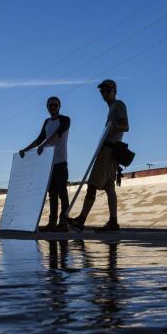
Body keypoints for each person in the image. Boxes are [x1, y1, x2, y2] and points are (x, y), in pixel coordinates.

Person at [67, 79, 129, 232]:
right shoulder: (112, 108)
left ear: (115, 91)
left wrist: (113, 126)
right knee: (109, 187)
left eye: (108, 90)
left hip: (108, 152)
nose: (104, 93)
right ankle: (113, 222)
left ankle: (81, 220)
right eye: (102, 91)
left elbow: (126, 126)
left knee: (92, 185)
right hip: (109, 152)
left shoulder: (118, 104)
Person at [19, 96, 71, 232]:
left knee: (62, 192)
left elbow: (57, 135)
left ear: (59, 106)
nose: (53, 107)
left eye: (55, 105)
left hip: (60, 162)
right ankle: (52, 222)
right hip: (48, 165)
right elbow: (39, 139)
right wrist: (25, 149)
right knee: (52, 194)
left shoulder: (65, 120)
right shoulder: (47, 122)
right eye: (50, 105)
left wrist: (44, 144)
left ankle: (64, 222)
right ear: (47, 107)